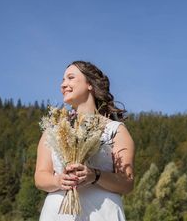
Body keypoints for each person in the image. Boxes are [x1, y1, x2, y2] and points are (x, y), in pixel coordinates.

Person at [35, 61, 135, 221]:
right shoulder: (53, 129)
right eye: (62, 80)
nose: (63, 85)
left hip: (102, 212)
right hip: (59, 213)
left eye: (70, 78)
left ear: (90, 84)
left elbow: (127, 183)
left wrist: (94, 176)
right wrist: (58, 180)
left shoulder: (115, 130)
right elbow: (40, 176)